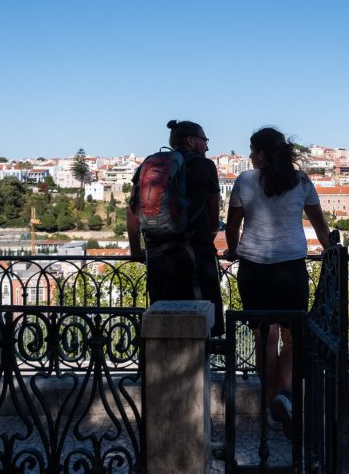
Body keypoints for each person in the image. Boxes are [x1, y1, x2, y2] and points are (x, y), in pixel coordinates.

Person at [223, 127, 331, 438]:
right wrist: (331, 253)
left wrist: (232, 250)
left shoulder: (244, 181)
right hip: (291, 268)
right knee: (292, 337)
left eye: (252, 151)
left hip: (255, 268)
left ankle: (272, 407)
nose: (249, 156)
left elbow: (233, 228)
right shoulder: (302, 181)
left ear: (261, 153)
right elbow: (321, 228)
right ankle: (286, 395)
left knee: (265, 341)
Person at [127, 120, 224, 336]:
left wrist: (135, 251)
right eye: (204, 140)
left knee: (162, 324)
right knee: (202, 324)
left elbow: (133, 211)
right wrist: (207, 240)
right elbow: (213, 213)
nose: (207, 147)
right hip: (195, 258)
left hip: (159, 256)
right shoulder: (205, 166)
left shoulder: (150, 167)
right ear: (191, 140)